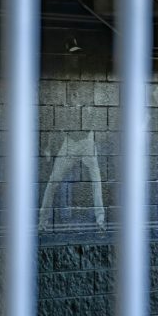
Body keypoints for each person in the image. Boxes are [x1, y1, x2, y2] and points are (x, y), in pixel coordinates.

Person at [39, 37, 105, 233]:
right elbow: (54, 118)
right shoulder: (61, 82)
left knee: (96, 180)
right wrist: (49, 146)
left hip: (86, 140)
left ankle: (100, 222)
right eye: (72, 56)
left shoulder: (87, 80)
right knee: (53, 181)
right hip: (70, 142)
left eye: (77, 56)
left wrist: (94, 138)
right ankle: (42, 222)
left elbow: (97, 112)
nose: (75, 59)